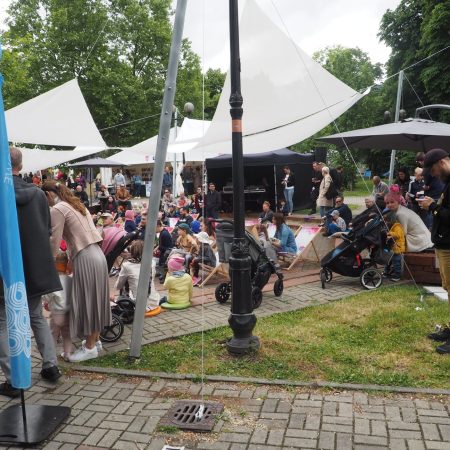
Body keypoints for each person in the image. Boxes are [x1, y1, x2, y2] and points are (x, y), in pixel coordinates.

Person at [0, 148, 62, 397]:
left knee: (3, 321)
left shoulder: (3, 194)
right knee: (36, 316)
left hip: (7, 269)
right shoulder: (37, 194)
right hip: (35, 267)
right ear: (21, 165)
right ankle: (51, 365)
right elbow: (46, 229)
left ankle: (14, 380)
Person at [42, 180, 111, 362]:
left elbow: (54, 240)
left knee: (89, 302)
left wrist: (47, 261)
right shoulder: (76, 205)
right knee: (95, 301)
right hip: (97, 255)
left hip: (86, 257)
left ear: (48, 194)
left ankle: (89, 349)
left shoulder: (57, 209)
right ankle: (94, 342)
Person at [416, 149, 450, 353]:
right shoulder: (447, 182)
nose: (434, 175)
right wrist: (435, 205)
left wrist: (432, 207)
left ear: (442, 163)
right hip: (444, 244)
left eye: (434, 171)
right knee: (448, 287)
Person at [113, 240, 160, 312]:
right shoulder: (152, 262)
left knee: (124, 284)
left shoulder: (127, 266)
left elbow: (118, 286)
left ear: (132, 251)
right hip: (154, 302)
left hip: (137, 305)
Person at [382, 210, 406, 282]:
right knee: (388, 260)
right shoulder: (392, 226)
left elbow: (398, 235)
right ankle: (387, 272)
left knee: (396, 262)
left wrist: (389, 233)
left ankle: (397, 276)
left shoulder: (397, 226)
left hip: (398, 248)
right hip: (393, 247)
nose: (386, 222)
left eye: (387, 221)